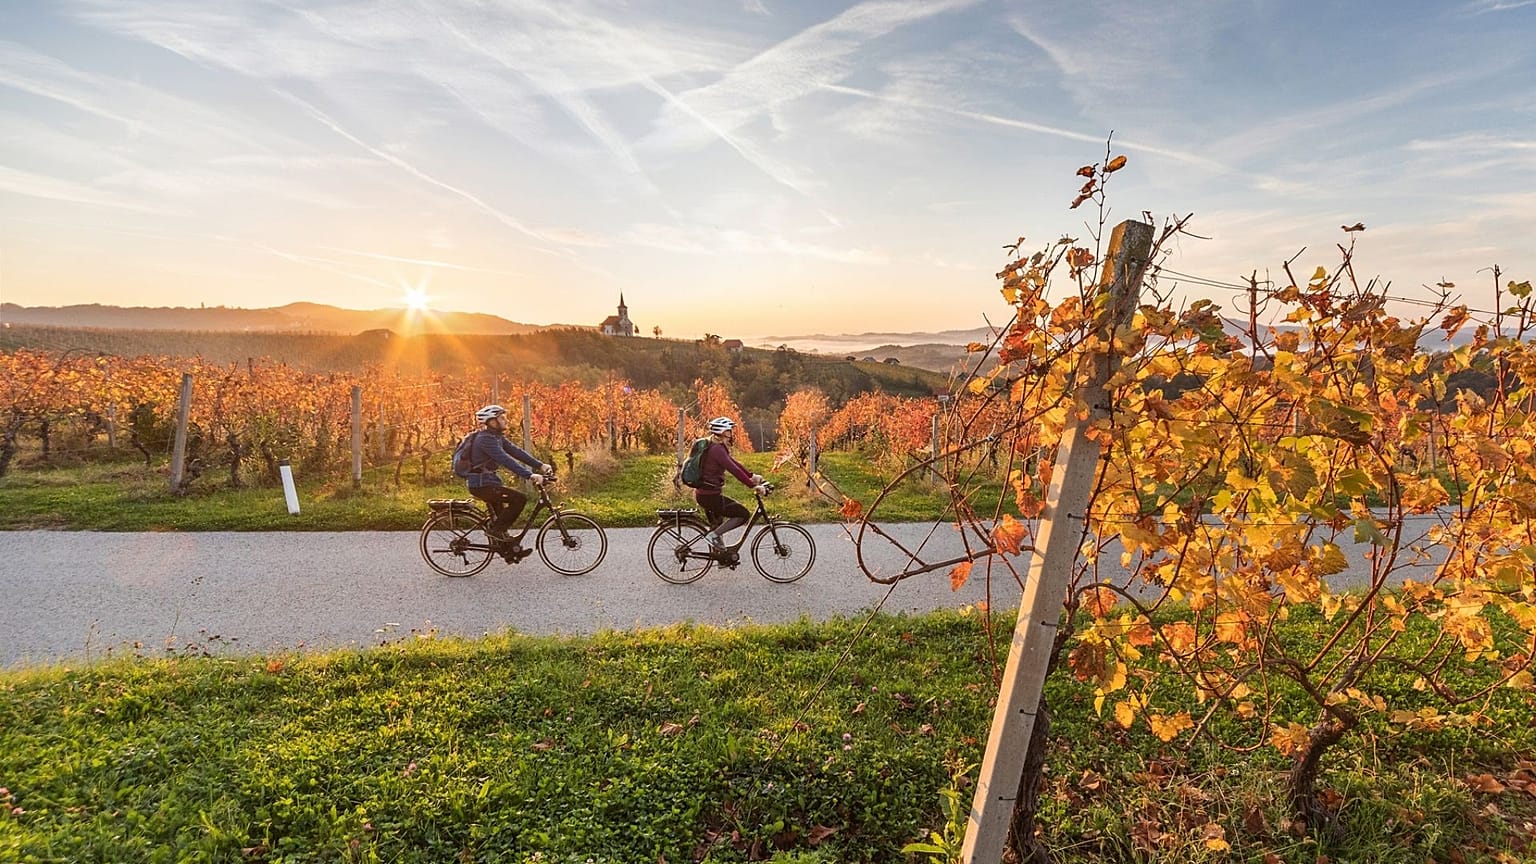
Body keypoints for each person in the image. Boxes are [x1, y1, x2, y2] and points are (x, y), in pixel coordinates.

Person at [464, 405, 554, 545]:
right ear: (491, 422)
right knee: (519, 499)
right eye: (501, 418)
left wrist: (540, 465)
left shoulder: (495, 437)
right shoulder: (485, 440)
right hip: (482, 485)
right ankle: (494, 532)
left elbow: (516, 452)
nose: (505, 420)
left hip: (490, 483)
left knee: (502, 517)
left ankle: (507, 548)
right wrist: (530, 475)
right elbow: (506, 460)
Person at [693, 416, 768, 561]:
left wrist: (752, 476)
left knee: (718, 523)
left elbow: (734, 464)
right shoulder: (717, 450)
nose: (731, 433)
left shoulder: (716, 446)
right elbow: (733, 470)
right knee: (742, 514)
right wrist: (753, 485)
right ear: (722, 432)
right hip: (709, 496)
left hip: (705, 494)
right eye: (729, 430)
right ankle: (713, 537)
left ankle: (721, 557)